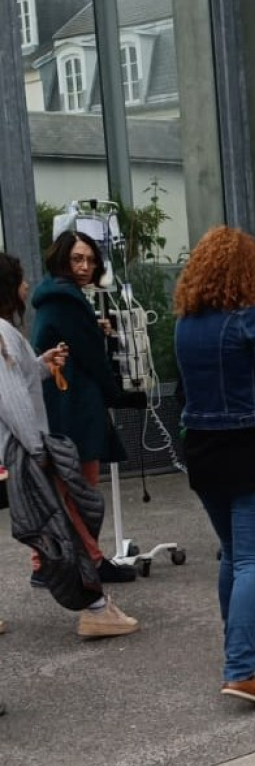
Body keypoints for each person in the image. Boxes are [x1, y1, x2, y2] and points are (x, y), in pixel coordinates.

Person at [174, 226, 255, 708]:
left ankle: (243, 645)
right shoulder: (248, 319)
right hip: (250, 448)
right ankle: (240, 669)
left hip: (203, 450)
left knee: (233, 553)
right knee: (253, 559)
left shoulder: (185, 324)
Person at [0, 252, 138, 639]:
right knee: (63, 529)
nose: (27, 286)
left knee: (58, 527)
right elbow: (10, 399)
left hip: (20, 448)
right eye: (21, 280)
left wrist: (44, 363)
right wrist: (37, 449)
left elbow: (22, 378)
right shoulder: (2, 334)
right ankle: (95, 609)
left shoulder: (8, 335)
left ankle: (95, 607)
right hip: (23, 450)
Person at [29, 230, 138, 585]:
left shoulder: (58, 297)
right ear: (62, 259)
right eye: (77, 258)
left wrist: (92, 329)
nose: (85, 266)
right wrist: (117, 394)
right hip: (73, 405)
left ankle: (45, 563)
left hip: (61, 403)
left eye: (90, 259)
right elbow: (89, 357)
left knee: (63, 486)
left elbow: (71, 341)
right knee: (80, 488)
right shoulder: (67, 300)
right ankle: (89, 558)